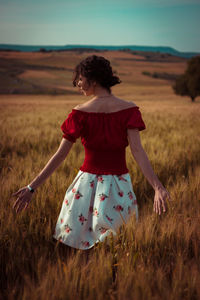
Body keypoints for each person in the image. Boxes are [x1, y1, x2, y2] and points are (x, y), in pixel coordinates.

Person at [11, 55, 171, 250]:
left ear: (93, 80)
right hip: (118, 188)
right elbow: (138, 151)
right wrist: (157, 187)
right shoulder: (129, 109)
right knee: (118, 247)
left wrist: (32, 187)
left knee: (82, 249)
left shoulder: (79, 113)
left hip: (84, 190)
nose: (78, 83)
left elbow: (60, 155)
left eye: (80, 78)